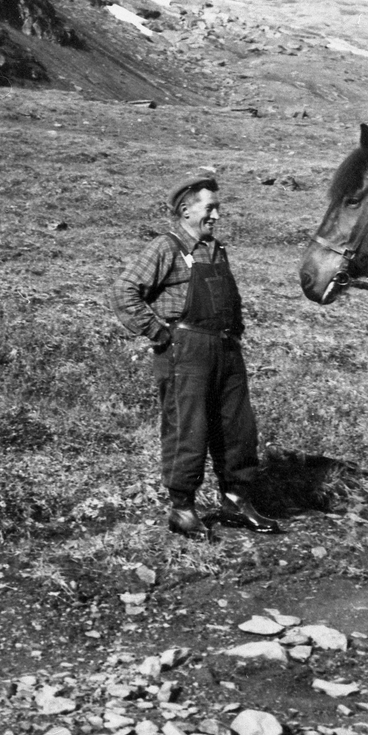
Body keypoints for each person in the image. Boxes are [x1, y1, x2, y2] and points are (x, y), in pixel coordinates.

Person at [110, 172, 282, 539]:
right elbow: (125, 291)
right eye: (210, 208)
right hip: (186, 352)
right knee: (188, 428)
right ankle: (183, 509)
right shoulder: (166, 247)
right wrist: (159, 333)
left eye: (218, 208)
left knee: (238, 428)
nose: (216, 215)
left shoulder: (215, 249)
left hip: (225, 349)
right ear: (186, 211)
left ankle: (236, 500)